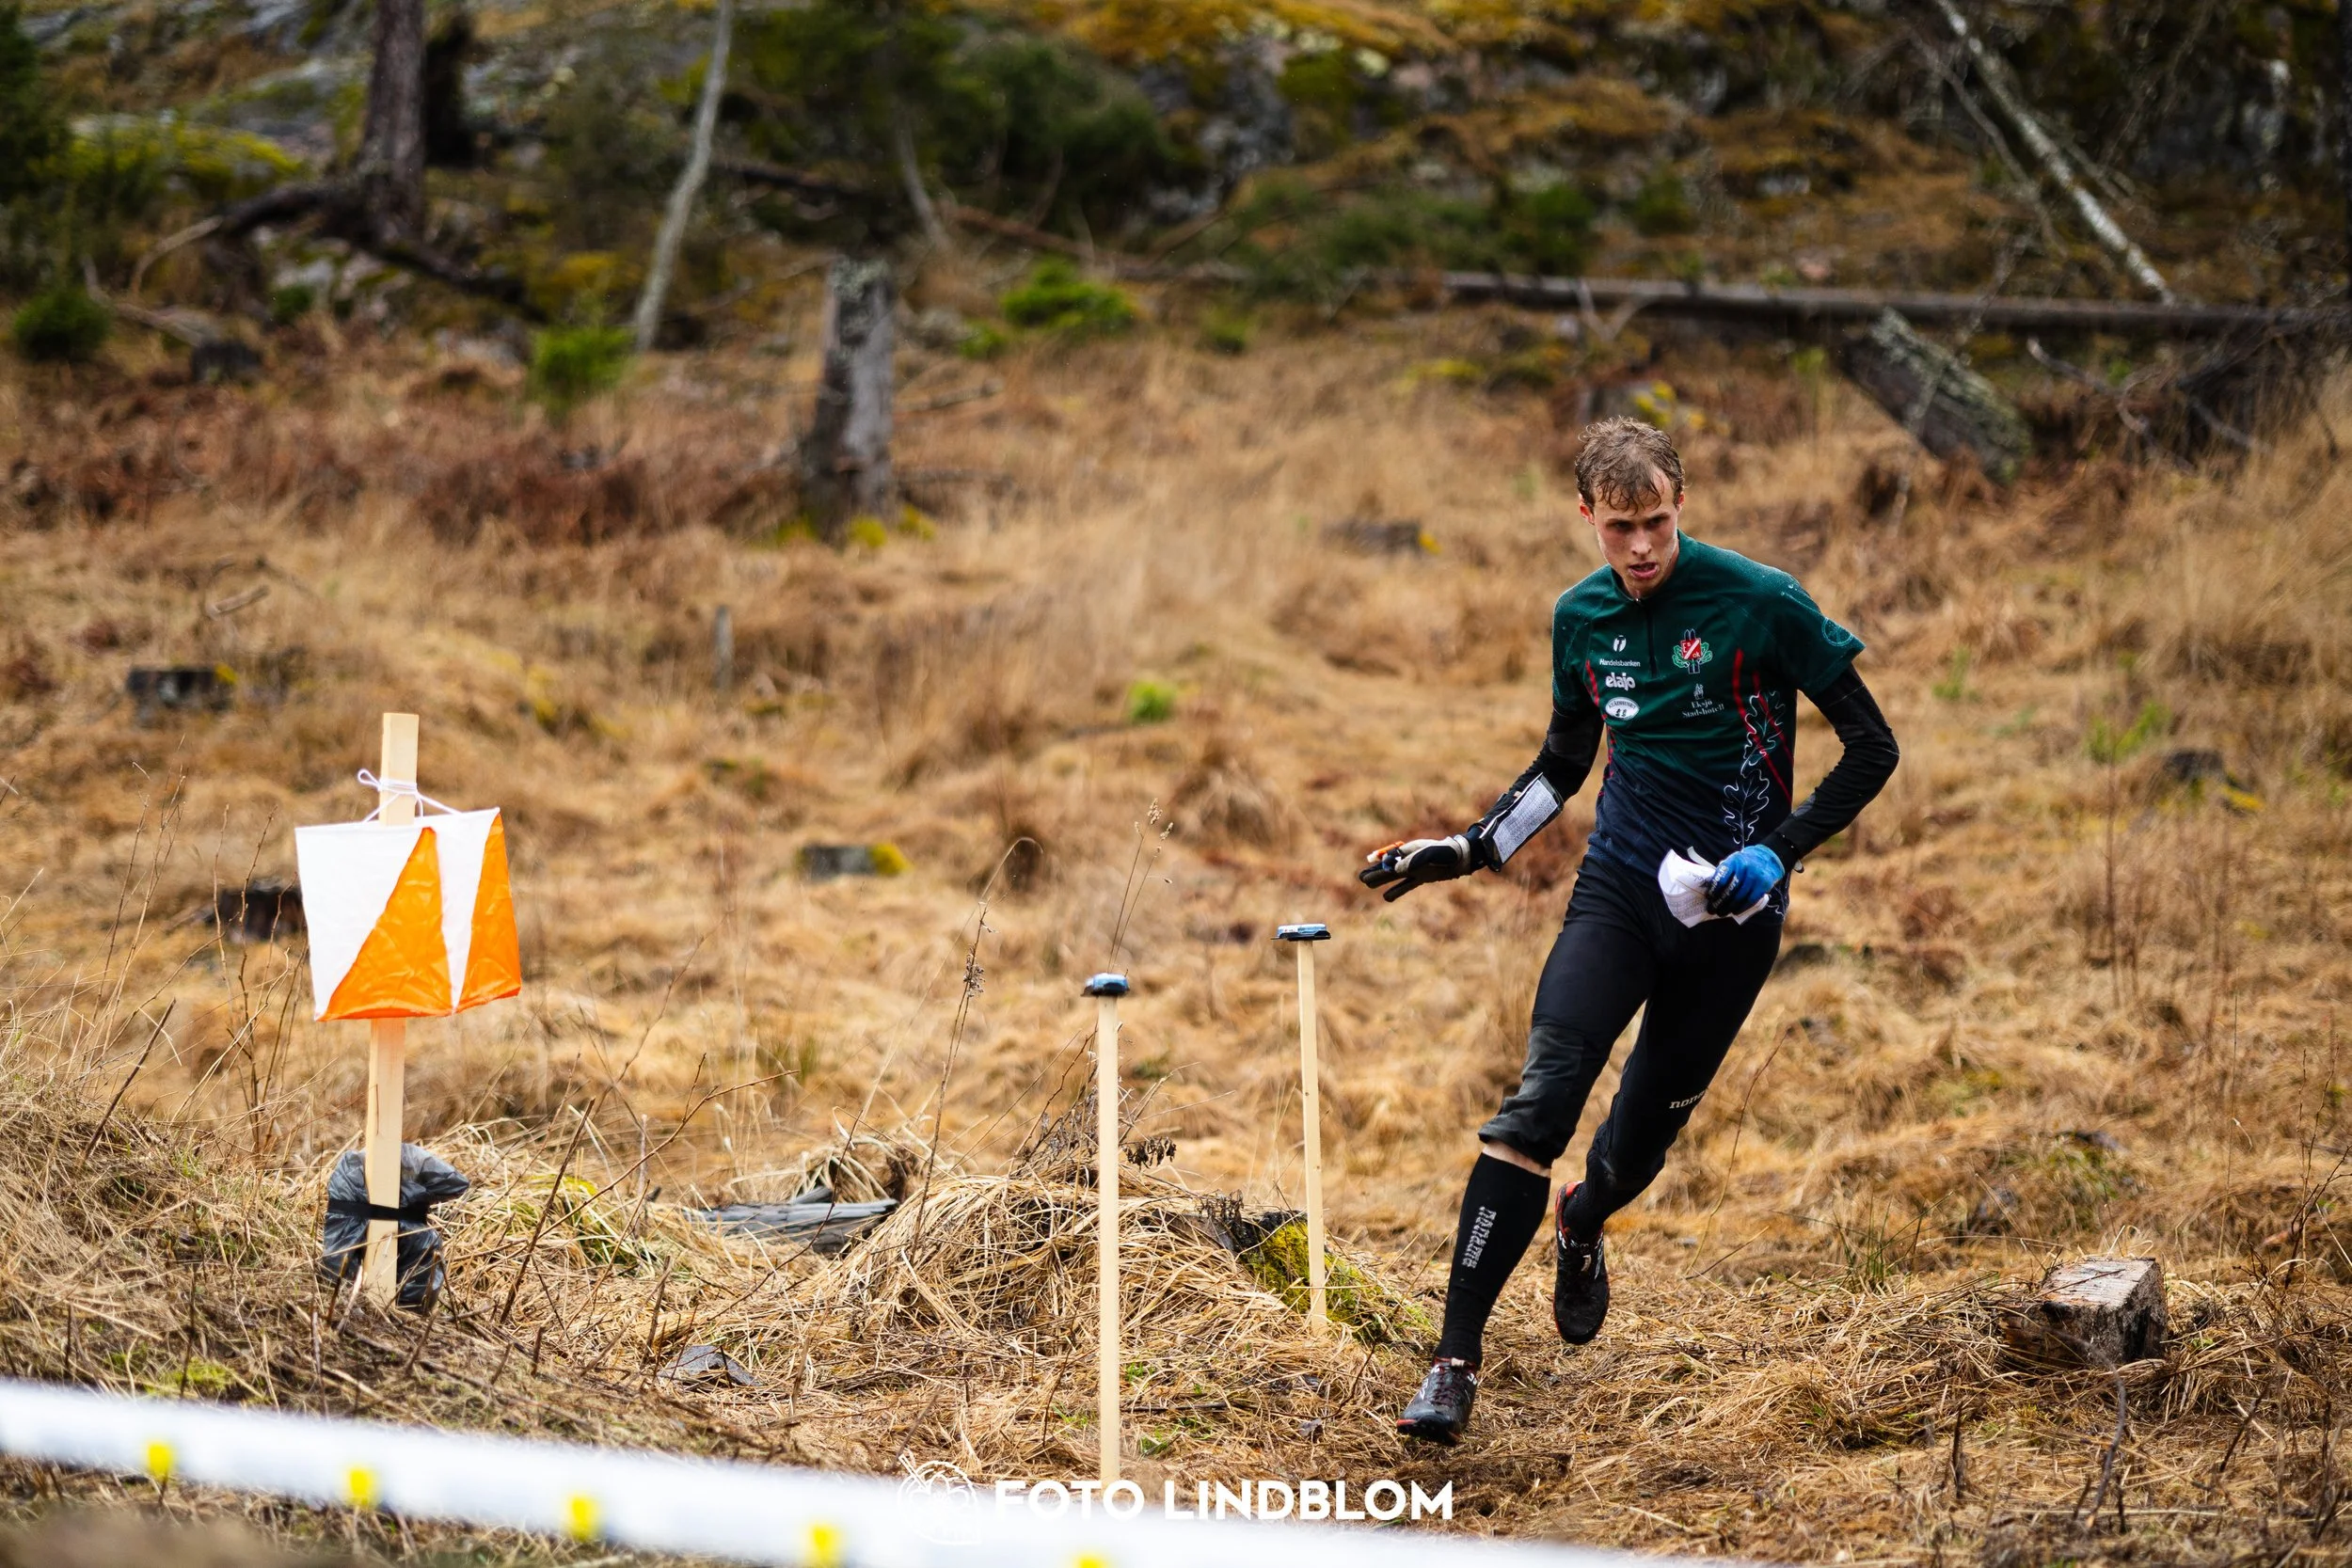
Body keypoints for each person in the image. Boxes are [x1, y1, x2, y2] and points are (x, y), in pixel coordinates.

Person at [1364, 418, 1900, 1446]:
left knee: (1635, 1145)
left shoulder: (1762, 602)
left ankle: (1585, 1216)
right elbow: (1564, 763)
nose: (1642, 546)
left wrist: (1779, 851)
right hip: (1617, 888)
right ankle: (1453, 1360)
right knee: (1538, 1099)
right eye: (1620, 528)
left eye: (1656, 521)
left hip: (1734, 916)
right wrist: (1471, 847)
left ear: (1680, 504)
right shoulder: (1581, 617)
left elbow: (1872, 747)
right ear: (1587, 519)